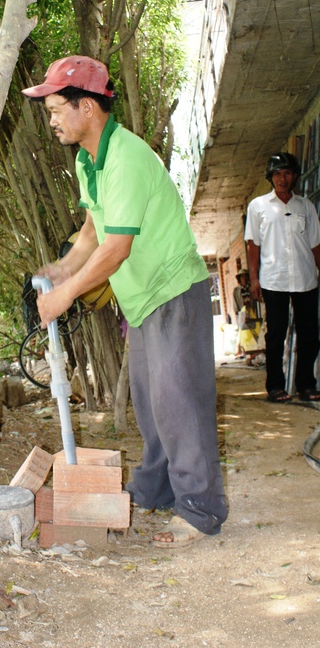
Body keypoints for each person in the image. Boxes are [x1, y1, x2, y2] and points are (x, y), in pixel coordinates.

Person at [22, 55, 227, 548]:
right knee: (152, 404)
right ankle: (156, 490)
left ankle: (201, 510)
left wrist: (65, 297)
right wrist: (63, 268)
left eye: (55, 109)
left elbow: (117, 248)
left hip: (174, 290)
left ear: (87, 107)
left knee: (179, 402)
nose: (50, 120)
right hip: (141, 301)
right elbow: (93, 232)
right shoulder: (88, 161)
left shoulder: (128, 158)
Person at [244, 152, 320, 403]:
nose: (282, 178)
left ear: (294, 176)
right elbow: (253, 246)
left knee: (310, 335)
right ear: (270, 177)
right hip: (274, 280)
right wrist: (254, 280)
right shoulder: (258, 206)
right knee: (276, 335)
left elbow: (315, 245)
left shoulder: (305, 206)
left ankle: (306, 385)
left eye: (287, 172)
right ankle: (275, 387)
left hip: (305, 278)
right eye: (277, 173)